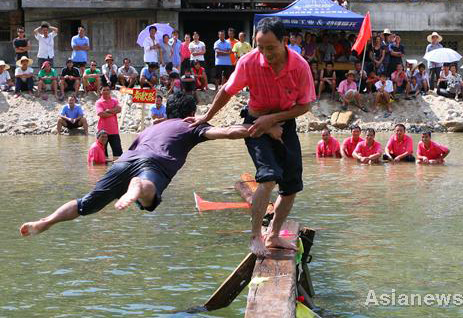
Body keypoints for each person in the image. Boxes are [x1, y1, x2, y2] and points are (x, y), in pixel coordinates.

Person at [19, 93, 283, 238]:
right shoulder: (191, 125)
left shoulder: (152, 127)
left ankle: (47, 221)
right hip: (152, 166)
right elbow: (228, 132)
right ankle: (139, 188)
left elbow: (132, 151)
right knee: (149, 199)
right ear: (191, 112)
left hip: (123, 163)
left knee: (86, 204)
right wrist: (263, 128)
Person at [186, 17, 315, 257]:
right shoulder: (249, 62)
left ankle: (274, 234)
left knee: (291, 186)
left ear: (284, 42)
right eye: (260, 46)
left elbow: (304, 105)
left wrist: (273, 119)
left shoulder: (299, 66)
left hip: (285, 124)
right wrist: (205, 116)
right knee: (268, 178)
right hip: (255, 124)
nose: (265, 53)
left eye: (270, 48)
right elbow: (227, 91)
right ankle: (256, 236)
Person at [96, 85, 123, 158]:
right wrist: (114, 112)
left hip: (114, 131)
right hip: (102, 132)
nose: (106, 91)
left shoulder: (115, 100)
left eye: (108, 90)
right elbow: (101, 114)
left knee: (118, 154)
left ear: (110, 91)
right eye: (104, 90)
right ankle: (102, 169)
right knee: (102, 155)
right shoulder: (99, 102)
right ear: (101, 92)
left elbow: (119, 109)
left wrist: (108, 111)